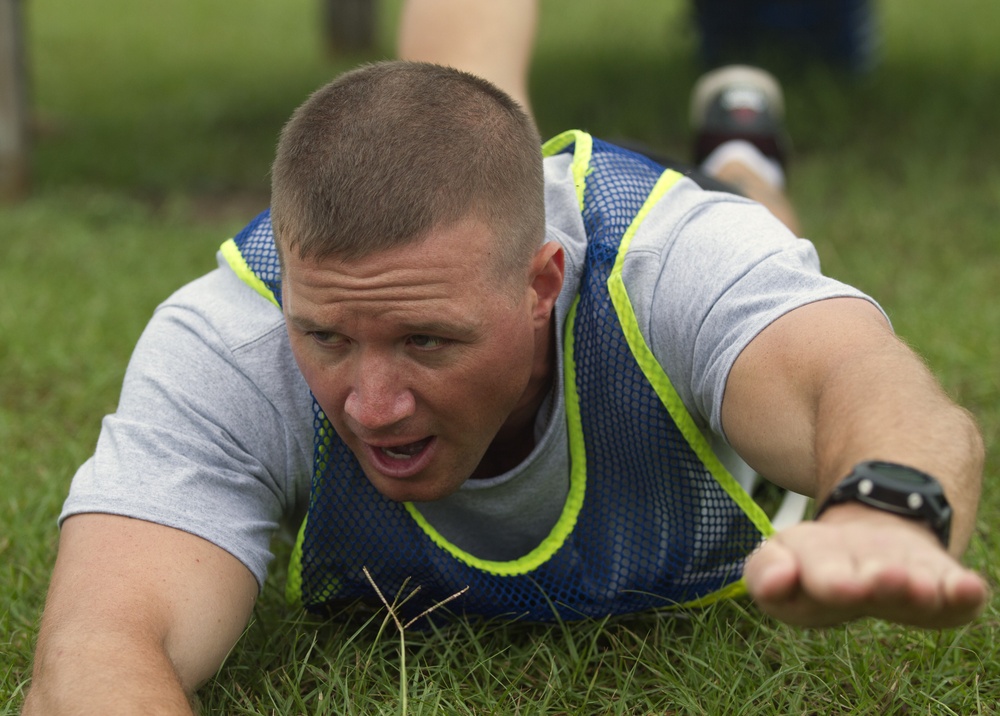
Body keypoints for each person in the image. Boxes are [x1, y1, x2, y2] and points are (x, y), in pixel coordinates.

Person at [23, 11, 987, 716]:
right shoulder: (230, 336)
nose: (370, 403)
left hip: (693, 230)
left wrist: (888, 507)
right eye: (326, 337)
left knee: (762, 232)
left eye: (426, 341)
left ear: (543, 285)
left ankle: (744, 159)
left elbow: (854, 376)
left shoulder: (668, 268)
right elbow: (96, 648)